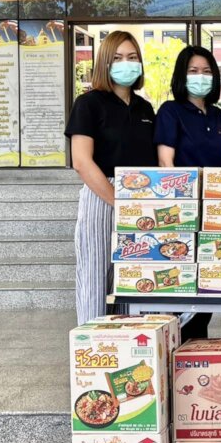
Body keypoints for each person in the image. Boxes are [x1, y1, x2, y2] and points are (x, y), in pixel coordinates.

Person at [66, 31, 157, 325]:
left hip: (141, 199)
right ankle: (92, 345)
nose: (126, 63)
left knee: (133, 278)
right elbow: (81, 161)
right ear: (105, 63)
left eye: (132, 57)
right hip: (102, 195)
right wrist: (118, 201)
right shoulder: (89, 103)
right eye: (117, 58)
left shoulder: (145, 108)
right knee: (95, 276)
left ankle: (127, 344)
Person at [155, 45, 221, 341]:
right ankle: (179, 350)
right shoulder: (170, 111)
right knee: (184, 291)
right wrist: (184, 210)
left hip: (216, 214)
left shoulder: (218, 116)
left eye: (207, 71)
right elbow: (166, 163)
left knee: (208, 289)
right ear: (181, 76)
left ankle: (197, 351)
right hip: (184, 212)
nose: (201, 77)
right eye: (193, 71)